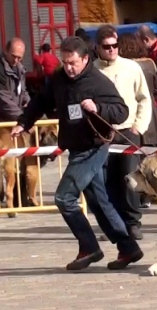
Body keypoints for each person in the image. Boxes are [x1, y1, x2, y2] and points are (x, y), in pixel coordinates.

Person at [11, 36, 144, 270]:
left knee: (64, 198)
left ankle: (89, 247)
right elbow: (41, 100)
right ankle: (128, 248)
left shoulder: (97, 82)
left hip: (92, 148)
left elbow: (121, 111)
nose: (69, 68)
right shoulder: (59, 79)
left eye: (73, 62)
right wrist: (24, 121)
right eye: (65, 62)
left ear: (85, 59)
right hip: (75, 148)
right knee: (98, 201)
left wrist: (98, 107)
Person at [94, 25, 152, 240]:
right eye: (107, 46)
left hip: (128, 131)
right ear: (98, 47)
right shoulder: (92, 71)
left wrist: (139, 125)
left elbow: (144, 98)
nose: (112, 50)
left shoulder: (131, 68)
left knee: (130, 179)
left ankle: (132, 222)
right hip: (102, 134)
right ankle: (113, 224)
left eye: (115, 45)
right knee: (107, 181)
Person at [117, 32, 157, 209]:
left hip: (135, 118)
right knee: (148, 159)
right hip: (151, 117)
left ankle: (136, 197)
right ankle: (149, 196)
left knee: (134, 163)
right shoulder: (150, 64)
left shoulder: (127, 68)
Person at [0, 37, 33, 207]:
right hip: (4, 121)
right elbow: (3, 98)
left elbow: (23, 91)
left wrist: (29, 105)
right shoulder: (1, 70)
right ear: (5, 51)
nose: (17, 60)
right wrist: (23, 118)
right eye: (14, 56)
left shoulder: (19, 68)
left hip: (15, 121)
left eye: (20, 57)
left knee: (19, 160)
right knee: (6, 163)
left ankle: (21, 198)